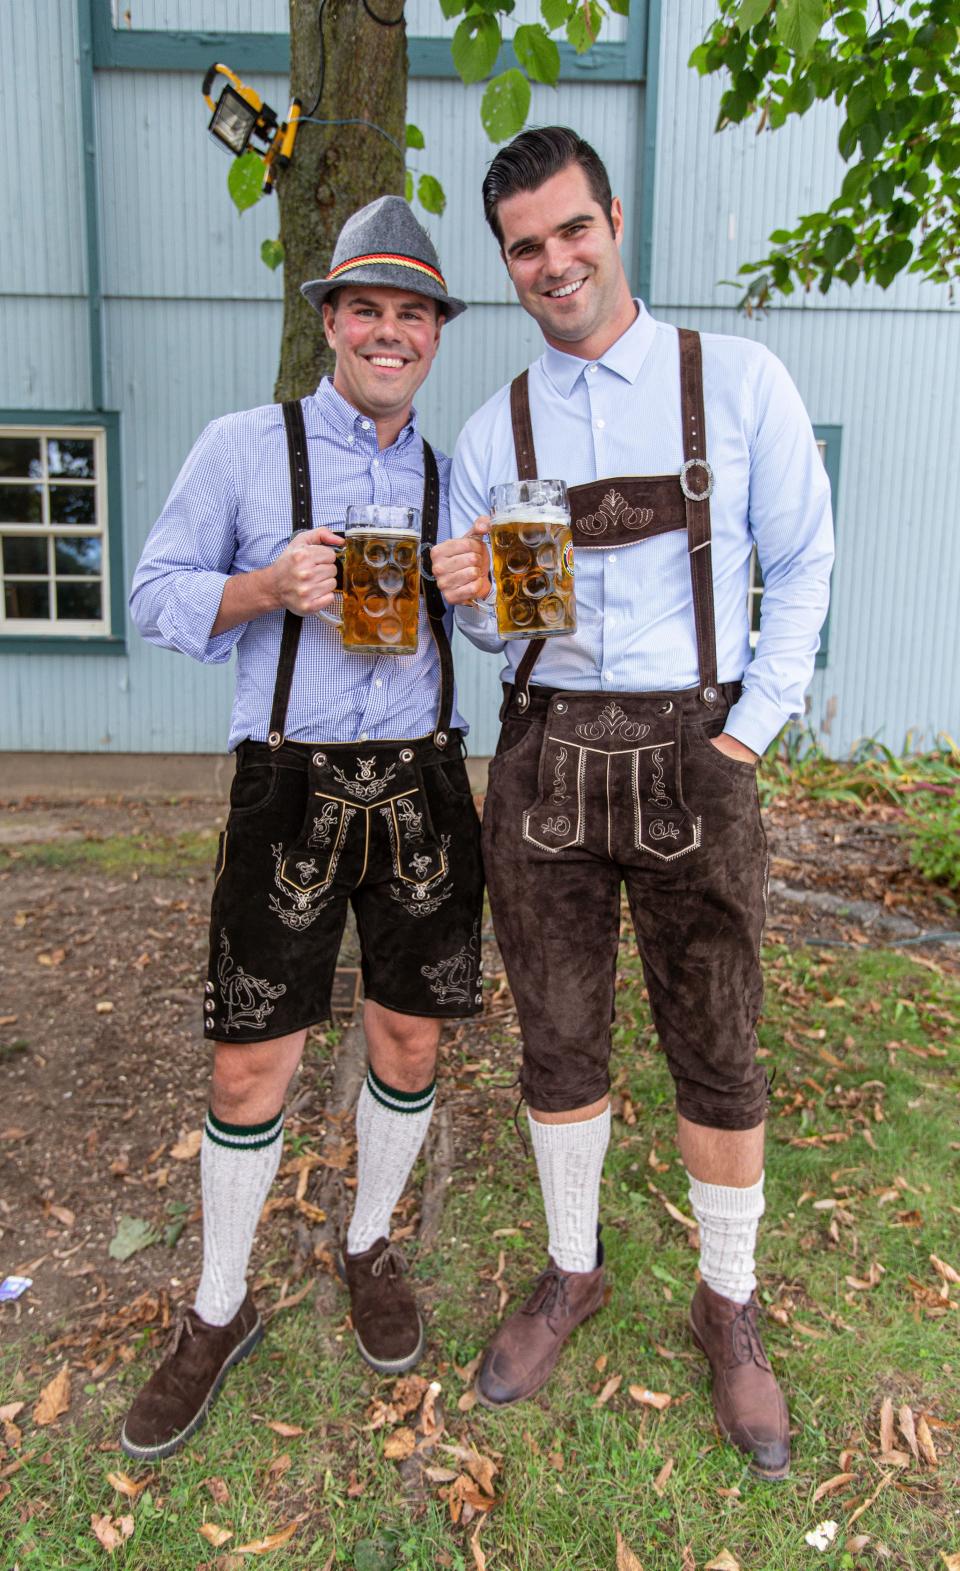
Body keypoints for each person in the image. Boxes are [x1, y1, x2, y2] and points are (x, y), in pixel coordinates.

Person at [430, 126, 833, 1479]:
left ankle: (729, 1300)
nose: (553, 262)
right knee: (557, 1039)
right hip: (544, 754)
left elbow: (806, 560)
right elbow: (499, 642)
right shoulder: (497, 428)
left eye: (570, 229)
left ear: (615, 220)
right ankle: (572, 1267)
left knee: (718, 1039)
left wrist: (747, 736)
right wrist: (476, 601)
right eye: (525, 247)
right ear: (509, 263)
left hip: (696, 751)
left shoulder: (739, 382)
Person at [122, 197, 484, 1462]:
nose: (391, 333)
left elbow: (496, 631)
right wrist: (269, 585)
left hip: (427, 782)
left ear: (436, 334)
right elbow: (153, 594)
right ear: (329, 319)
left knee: (409, 1029)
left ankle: (368, 1239)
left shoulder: (458, 472)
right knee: (248, 1060)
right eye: (368, 308)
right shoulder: (243, 447)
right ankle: (219, 1305)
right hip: (288, 782)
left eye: (414, 313)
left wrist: (480, 595)